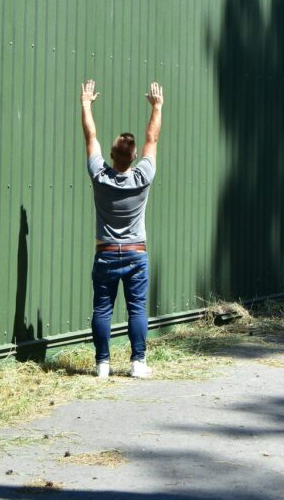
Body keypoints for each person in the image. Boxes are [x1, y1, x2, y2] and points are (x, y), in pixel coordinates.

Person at [79, 78, 163, 378]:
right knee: (137, 308)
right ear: (134, 155)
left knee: (102, 308)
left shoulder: (99, 176)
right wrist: (157, 106)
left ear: (112, 156)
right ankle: (138, 363)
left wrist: (86, 104)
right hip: (136, 254)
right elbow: (152, 139)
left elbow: (91, 136)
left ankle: (102, 364)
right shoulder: (143, 177)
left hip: (105, 255)